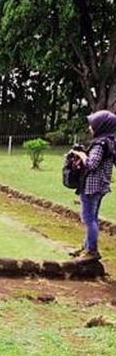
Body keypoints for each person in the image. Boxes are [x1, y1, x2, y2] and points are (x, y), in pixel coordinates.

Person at [69, 110, 116, 261]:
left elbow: (92, 164)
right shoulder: (110, 142)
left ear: (101, 126)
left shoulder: (100, 144)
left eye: (92, 125)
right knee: (93, 217)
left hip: (92, 186)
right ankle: (87, 246)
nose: (90, 128)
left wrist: (81, 155)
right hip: (101, 185)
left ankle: (91, 251)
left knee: (88, 218)